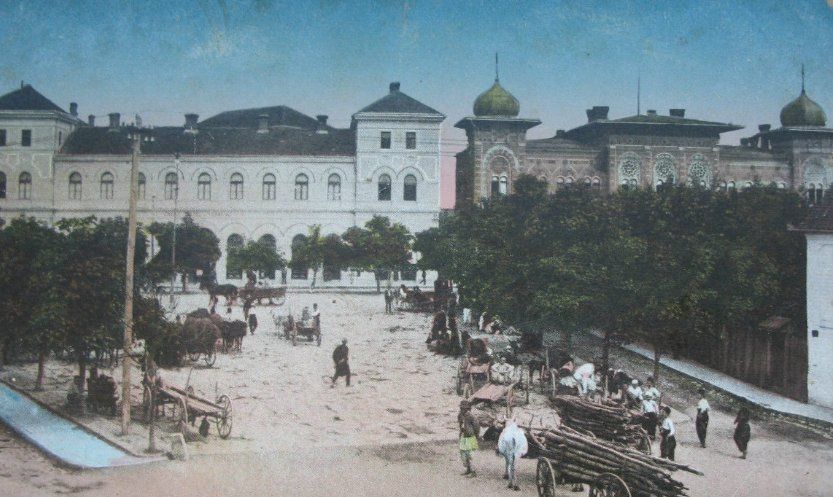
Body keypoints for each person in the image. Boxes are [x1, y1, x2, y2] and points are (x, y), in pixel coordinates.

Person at [498, 417, 528, 491]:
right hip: (518, 446)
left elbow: (502, 444)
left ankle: (512, 483)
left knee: (510, 463)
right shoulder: (519, 431)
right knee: (514, 463)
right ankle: (514, 483)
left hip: (508, 445)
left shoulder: (505, 431)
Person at [458, 400, 479, 477]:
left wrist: (476, 436)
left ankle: (473, 472)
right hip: (463, 436)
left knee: (470, 455)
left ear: (468, 408)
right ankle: (468, 469)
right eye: (462, 408)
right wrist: (460, 434)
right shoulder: (460, 415)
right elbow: (460, 425)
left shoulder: (471, 416)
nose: (463, 409)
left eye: (465, 408)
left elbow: (476, 427)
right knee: (463, 454)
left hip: (470, 437)